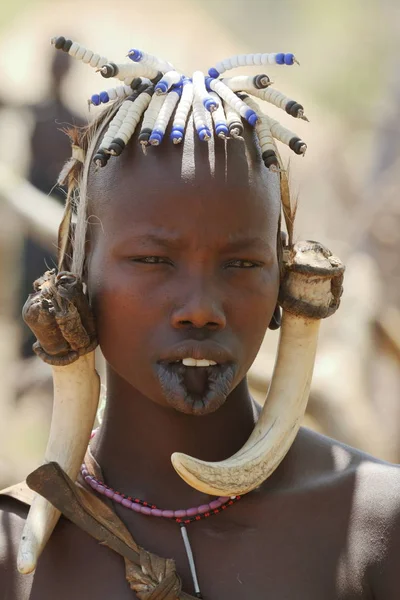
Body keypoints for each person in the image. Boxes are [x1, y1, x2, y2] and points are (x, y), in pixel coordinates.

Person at [0, 37, 399, 600]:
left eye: (242, 263)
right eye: (153, 261)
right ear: (74, 272)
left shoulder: (376, 526)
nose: (201, 309)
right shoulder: (15, 555)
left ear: (286, 279)